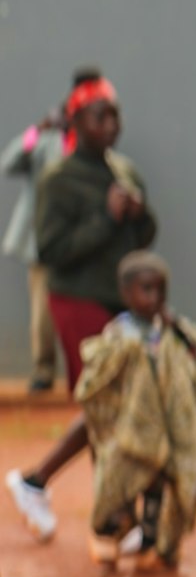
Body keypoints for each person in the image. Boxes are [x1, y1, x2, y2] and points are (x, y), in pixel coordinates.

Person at [6, 72, 156, 543]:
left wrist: (136, 215)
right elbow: (51, 251)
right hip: (76, 300)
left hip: (119, 302)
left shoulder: (124, 170)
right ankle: (108, 511)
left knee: (117, 404)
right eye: (101, 116)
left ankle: (49, 486)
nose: (112, 124)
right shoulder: (58, 177)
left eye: (115, 115)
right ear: (77, 121)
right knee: (108, 401)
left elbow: (144, 239)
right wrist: (104, 219)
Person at [72, 251, 196, 573]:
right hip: (127, 429)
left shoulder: (170, 329)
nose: (154, 298)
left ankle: (152, 543)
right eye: (145, 290)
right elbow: (100, 380)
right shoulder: (119, 333)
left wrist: (175, 327)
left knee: (159, 480)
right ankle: (106, 537)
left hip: (163, 427)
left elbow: (191, 356)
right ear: (125, 293)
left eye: (160, 290)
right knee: (120, 484)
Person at [2, 95, 69, 394]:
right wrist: (37, 130)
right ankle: (44, 371)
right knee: (42, 312)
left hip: (77, 243)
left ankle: (82, 373)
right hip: (41, 242)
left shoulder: (89, 144)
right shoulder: (44, 141)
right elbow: (8, 163)